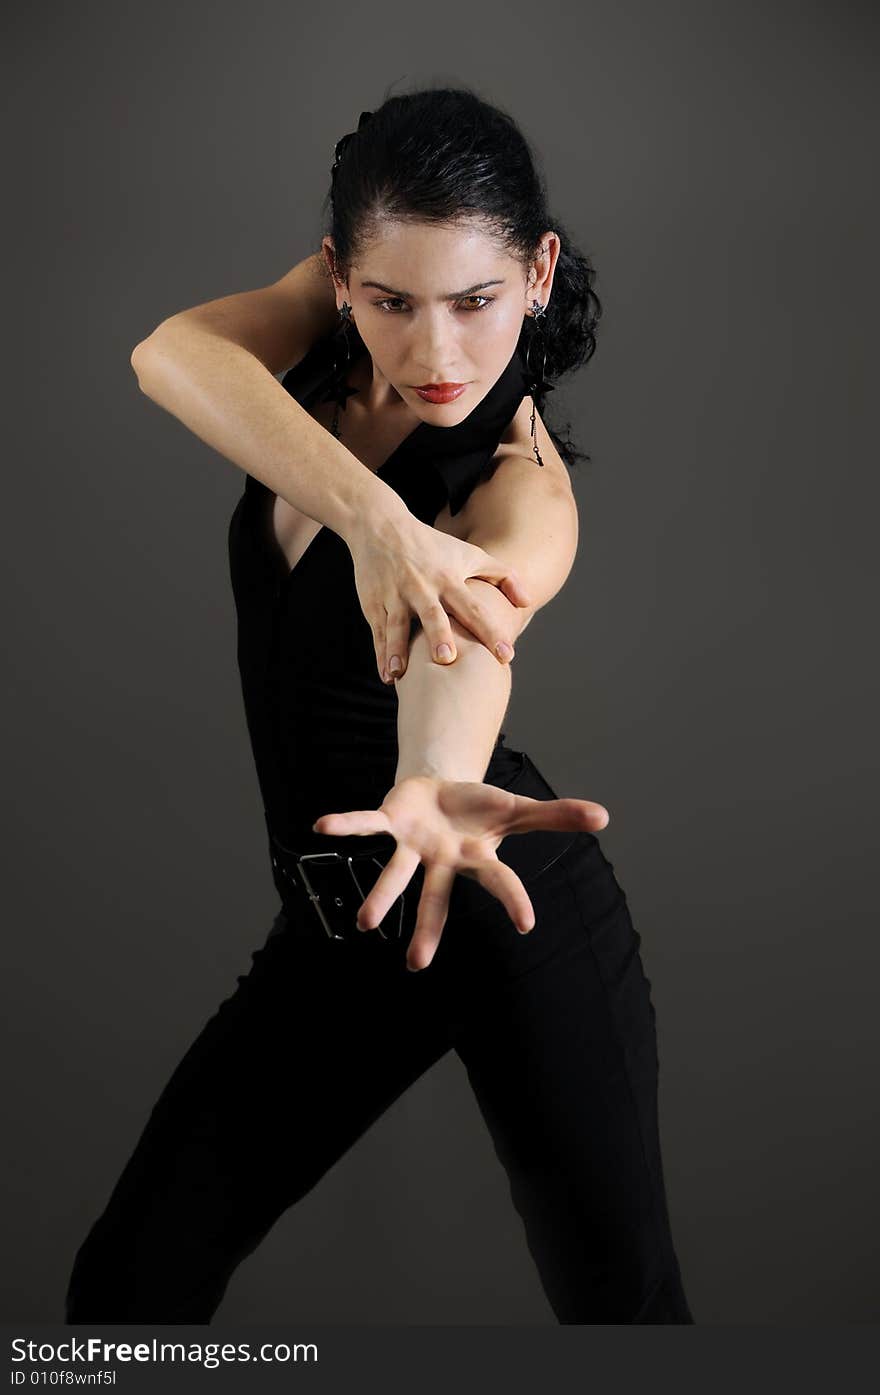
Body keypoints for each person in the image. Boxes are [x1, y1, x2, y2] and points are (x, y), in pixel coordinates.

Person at [64, 85, 695, 1324]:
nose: (436, 355)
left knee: (621, 1312)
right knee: (128, 1295)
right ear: (337, 277)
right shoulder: (309, 360)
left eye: (474, 302)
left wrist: (432, 778)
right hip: (346, 927)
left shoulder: (519, 485)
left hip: (501, 903)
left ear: (536, 273)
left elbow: (475, 630)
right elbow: (166, 357)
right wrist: (375, 521)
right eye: (393, 302)